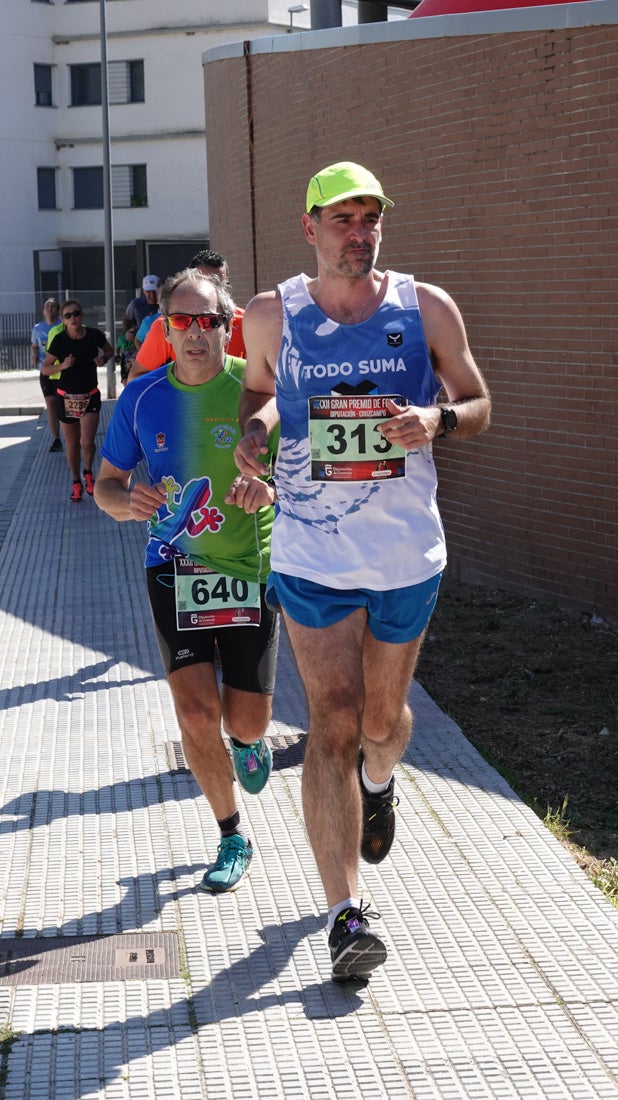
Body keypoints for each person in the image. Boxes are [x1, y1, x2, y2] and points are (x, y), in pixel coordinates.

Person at [229, 161, 491, 982]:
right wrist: (257, 433)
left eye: (368, 219)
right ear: (309, 227)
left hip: (404, 553)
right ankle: (346, 915)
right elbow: (264, 393)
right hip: (310, 552)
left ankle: (380, 779)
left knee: (383, 722)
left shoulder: (425, 307)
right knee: (331, 720)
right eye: (341, 219)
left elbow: (479, 401)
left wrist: (436, 417)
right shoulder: (274, 311)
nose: (357, 232)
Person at [94, 268, 279, 894]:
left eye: (208, 321)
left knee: (246, 721)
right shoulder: (142, 398)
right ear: (163, 328)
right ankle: (231, 833)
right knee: (197, 712)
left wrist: (267, 486)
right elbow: (106, 487)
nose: (195, 333)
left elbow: (300, 480)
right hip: (174, 571)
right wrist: (129, 503)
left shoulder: (256, 391)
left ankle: (250, 744)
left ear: (227, 328)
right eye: (182, 321)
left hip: (251, 570)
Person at [127, 251, 245, 383]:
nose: (211, 289)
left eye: (219, 283)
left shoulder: (247, 322)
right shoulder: (170, 323)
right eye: (204, 282)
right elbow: (136, 380)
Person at [42, 300, 114, 502]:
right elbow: (45, 369)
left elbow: (110, 351)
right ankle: (75, 482)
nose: (73, 318)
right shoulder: (59, 340)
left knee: (87, 441)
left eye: (76, 314)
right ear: (64, 320)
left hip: (90, 394)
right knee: (73, 444)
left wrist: (103, 359)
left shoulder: (94, 336)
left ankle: (88, 472)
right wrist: (63, 366)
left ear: (82, 315)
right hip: (66, 397)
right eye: (68, 315)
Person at [30, 298, 63, 451]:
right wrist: (34, 355)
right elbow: (34, 345)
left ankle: (71, 435)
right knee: (50, 405)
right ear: (43, 310)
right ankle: (56, 439)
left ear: (57, 310)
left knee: (61, 404)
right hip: (45, 371)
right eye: (47, 306)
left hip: (61, 371)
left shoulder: (62, 326)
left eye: (53, 306)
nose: (50, 309)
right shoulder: (37, 328)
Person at [115, 320, 137, 385]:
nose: (131, 334)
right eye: (130, 332)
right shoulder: (122, 338)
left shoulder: (137, 337)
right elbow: (117, 347)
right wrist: (117, 355)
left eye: (133, 332)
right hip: (125, 359)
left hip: (134, 358)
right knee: (125, 380)